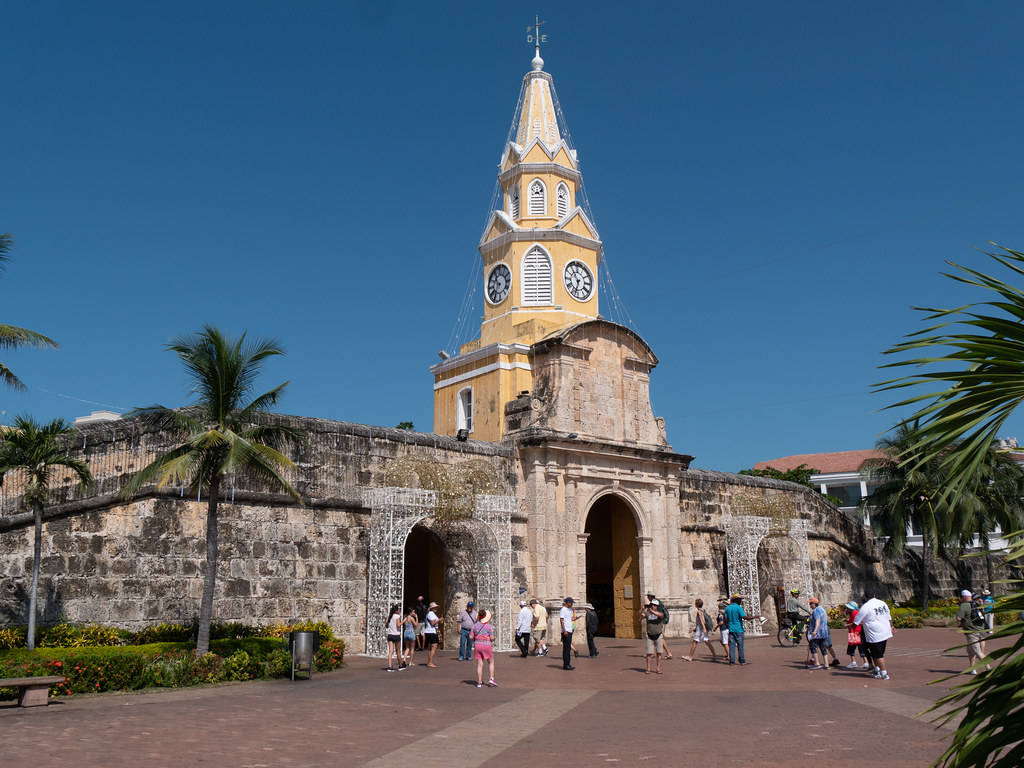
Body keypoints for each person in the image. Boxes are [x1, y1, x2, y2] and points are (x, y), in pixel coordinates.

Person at [854, 590, 894, 680]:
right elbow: (889, 616)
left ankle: (884, 673)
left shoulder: (866, 607)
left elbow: (856, 622)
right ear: (874, 595)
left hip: (875, 634)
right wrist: (892, 626)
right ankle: (878, 670)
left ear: (866, 597)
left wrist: (854, 626)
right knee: (876, 653)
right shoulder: (882, 603)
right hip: (885, 632)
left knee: (878, 655)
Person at [956, 589, 989, 674]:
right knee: (970, 651)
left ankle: (989, 669)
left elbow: (958, 618)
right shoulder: (977, 603)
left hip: (971, 632)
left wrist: (960, 624)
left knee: (978, 652)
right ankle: (972, 668)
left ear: (964, 597)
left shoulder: (964, 606)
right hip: (981, 630)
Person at [806, 597, 839, 669]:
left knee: (813, 647)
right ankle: (826, 664)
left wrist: (814, 631)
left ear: (815, 604)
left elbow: (817, 621)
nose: (810, 605)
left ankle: (817, 664)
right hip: (824, 632)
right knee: (823, 648)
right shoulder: (822, 609)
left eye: (811, 603)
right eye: (810, 603)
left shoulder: (816, 611)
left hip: (817, 633)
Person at [684, 598, 718, 662]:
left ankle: (690, 657)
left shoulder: (699, 611)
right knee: (707, 642)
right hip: (701, 629)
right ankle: (714, 655)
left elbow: (702, 621)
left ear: (696, 604)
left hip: (701, 630)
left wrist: (704, 628)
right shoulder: (703, 610)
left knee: (695, 642)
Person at [471, 609, 498, 687]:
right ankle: (491, 678)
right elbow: (492, 638)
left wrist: (475, 639)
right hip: (486, 645)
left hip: (477, 645)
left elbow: (471, 636)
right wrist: (492, 639)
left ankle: (479, 682)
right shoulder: (489, 626)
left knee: (480, 664)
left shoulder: (474, 626)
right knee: (491, 662)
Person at [639, 596, 665, 674]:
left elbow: (661, 616)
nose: (653, 606)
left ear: (657, 606)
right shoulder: (647, 613)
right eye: (652, 605)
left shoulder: (660, 612)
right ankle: (648, 669)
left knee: (659, 653)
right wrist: (642, 609)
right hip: (650, 635)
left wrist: (652, 611)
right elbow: (640, 617)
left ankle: (658, 668)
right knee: (649, 654)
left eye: (655, 605)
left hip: (658, 635)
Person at [842, 601, 867, 668]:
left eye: (847, 607)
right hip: (856, 632)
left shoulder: (854, 613)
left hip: (854, 632)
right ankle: (865, 662)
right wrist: (845, 617)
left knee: (852, 648)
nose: (846, 608)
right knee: (860, 647)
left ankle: (854, 662)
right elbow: (852, 620)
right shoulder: (854, 613)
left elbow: (855, 622)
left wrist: (847, 625)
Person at [725, 594, 747, 665]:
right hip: (739, 629)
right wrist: (756, 616)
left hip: (731, 629)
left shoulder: (727, 608)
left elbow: (725, 619)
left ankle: (732, 661)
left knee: (732, 646)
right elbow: (744, 617)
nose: (741, 601)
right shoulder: (738, 608)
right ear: (737, 600)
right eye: (740, 600)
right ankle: (742, 661)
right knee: (740, 646)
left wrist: (728, 626)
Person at [385, 603, 404, 671]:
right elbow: (398, 625)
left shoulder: (389, 616)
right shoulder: (397, 616)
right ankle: (400, 665)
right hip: (396, 635)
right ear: (396, 610)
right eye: (398, 609)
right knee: (398, 651)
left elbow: (386, 626)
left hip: (390, 635)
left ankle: (389, 666)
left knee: (390, 651)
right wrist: (403, 621)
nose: (399, 610)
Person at [560, 597, 576, 670]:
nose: (572, 604)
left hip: (570, 630)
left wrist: (576, 618)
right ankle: (566, 665)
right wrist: (564, 630)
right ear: (567, 603)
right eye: (571, 603)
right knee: (566, 648)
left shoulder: (570, 610)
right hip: (566, 631)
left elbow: (570, 619)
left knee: (568, 648)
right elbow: (561, 620)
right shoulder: (563, 609)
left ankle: (568, 664)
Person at [423, 601, 441, 667]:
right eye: (435, 607)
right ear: (432, 608)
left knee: (430, 648)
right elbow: (432, 623)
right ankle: (430, 662)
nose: (436, 608)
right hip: (431, 632)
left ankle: (429, 662)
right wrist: (439, 620)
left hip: (429, 631)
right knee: (433, 647)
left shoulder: (430, 613)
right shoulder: (431, 614)